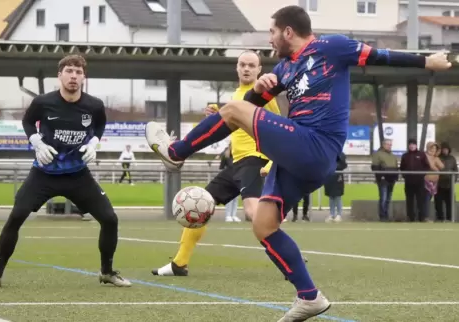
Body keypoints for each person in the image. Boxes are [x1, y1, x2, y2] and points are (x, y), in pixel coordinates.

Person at [145, 5, 450, 320]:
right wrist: (255, 95)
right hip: (299, 154)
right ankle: (309, 297)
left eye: (273, 32)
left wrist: (427, 61)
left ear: (288, 31)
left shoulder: (332, 47)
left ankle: (177, 152)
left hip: (316, 144)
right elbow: (244, 111)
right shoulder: (283, 69)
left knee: (232, 110)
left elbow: (381, 56)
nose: (270, 39)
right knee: (263, 224)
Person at [0, 55, 131, 288]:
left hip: (78, 175)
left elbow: (100, 124)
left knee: (110, 219)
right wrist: (37, 143)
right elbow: (28, 122)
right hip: (44, 174)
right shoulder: (43, 102)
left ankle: (107, 272)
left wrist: (93, 143)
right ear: (59, 75)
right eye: (69, 71)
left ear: (84, 77)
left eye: (78, 72)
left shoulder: (94, 105)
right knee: (17, 216)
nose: (73, 76)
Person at [151, 51, 281, 277]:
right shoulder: (236, 95)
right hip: (236, 164)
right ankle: (179, 264)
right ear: (237, 67)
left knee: (254, 213)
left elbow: (278, 130)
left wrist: (271, 163)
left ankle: (288, 256)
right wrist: (216, 116)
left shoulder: (265, 97)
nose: (247, 69)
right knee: (199, 206)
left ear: (259, 69)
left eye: (252, 65)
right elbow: (231, 128)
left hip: (254, 161)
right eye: (243, 64)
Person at [400, 139, 430, 222]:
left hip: (419, 182)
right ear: (408, 146)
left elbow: (426, 166)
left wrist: (421, 175)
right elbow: (402, 168)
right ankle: (410, 217)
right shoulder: (405, 156)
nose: (412, 146)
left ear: (416, 145)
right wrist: (405, 176)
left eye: (413, 144)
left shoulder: (421, 154)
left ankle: (422, 217)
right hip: (409, 182)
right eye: (410, 144)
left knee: (421, 200)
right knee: (409, 200)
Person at [371, 139, 399, 221]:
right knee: (383, 198)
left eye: (390, 144)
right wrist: (380, 177)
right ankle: (382, 216)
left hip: (391, 179)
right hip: (383, 179)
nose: (389, 146)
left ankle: (386, 214)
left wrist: (396, 177)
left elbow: (396, 167)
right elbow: (375, 167)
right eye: (388, 144)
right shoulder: (378, 154)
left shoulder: (393, 156)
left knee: (388, 198)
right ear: (383, 145)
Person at [435, 142, 458, 222]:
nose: (445, 151)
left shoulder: (452, 159)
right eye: (443, 149)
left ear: (449, 150)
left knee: (450, 203)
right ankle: (440, 218)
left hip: (449, 185)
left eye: (446, 149)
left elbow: (455, 170)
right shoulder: (437, 158)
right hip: (439, 185)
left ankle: (449, 218)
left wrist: (453, 180)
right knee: (438, 203)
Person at [218, 144, 240, 222]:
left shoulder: (239, 156)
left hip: (238, 178)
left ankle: (234, 215)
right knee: (229, 198)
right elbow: (221, 167)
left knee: (235, 198)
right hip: (228, 179)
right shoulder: (226, 156)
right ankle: (228, 215)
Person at [324, 152, 347, 223]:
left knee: (337, 196)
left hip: (338, 177)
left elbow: (344, 165)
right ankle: (332, 214)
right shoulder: (327, 152)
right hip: (329, 177)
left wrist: (334, 166)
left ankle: (339, 214)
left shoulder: (341, 154)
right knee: (331, 197)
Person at [424, 141, 444, 221]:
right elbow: (431, 166)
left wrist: (436, 159)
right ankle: (425, 216)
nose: (433, 150)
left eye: (435, 148)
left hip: (435, 183)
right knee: (426, 199)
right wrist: (436, 169)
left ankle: (427, 216)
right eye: (432, 148)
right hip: (426, 182)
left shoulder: (436, 158)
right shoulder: (425, 156)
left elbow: (442, 166)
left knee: (430, 199)